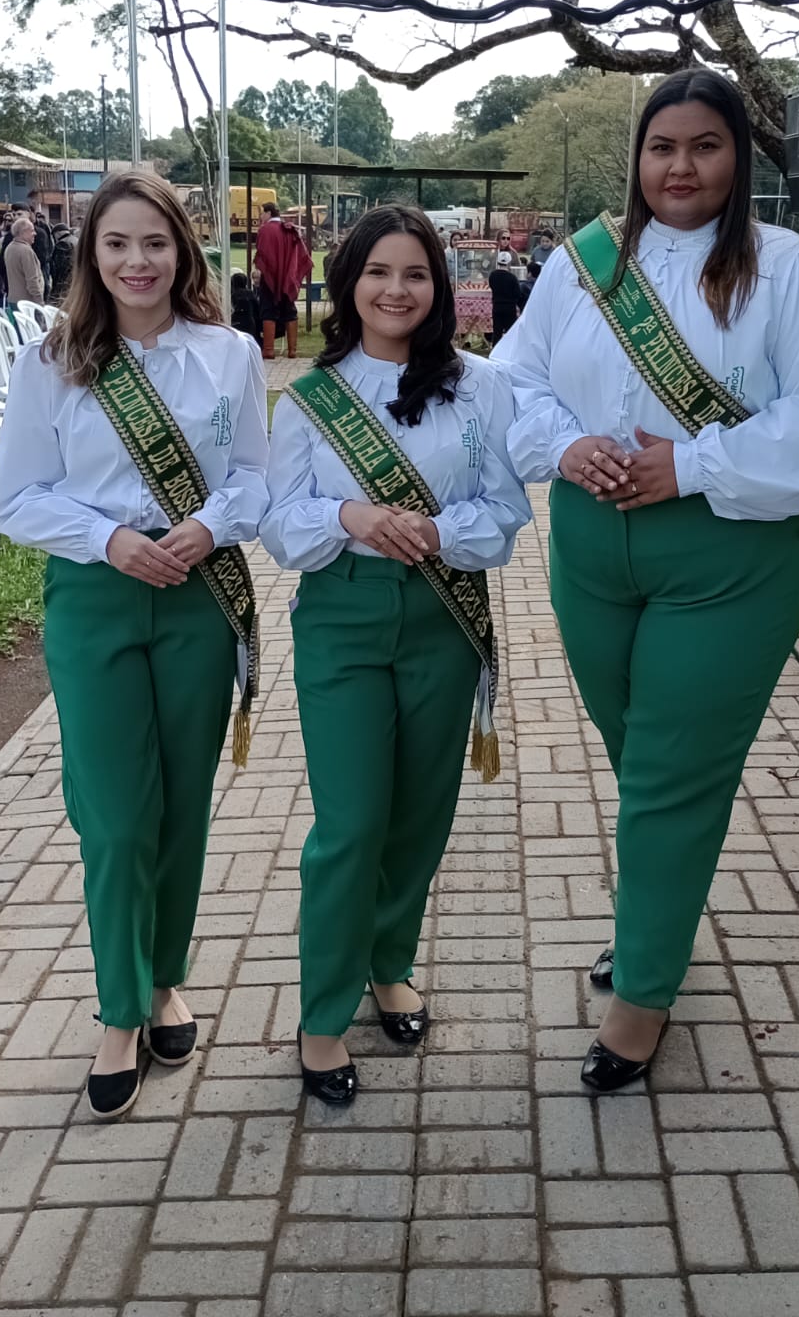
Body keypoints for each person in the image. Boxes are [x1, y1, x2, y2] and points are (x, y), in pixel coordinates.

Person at [495, 68, 799, 1092]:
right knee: (641, 760)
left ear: (737, 158)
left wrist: (694, 464)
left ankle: (643, 993)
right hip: (591, 547)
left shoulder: (791, 271)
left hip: (727, 557)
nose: (680, 167)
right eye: (661, 147)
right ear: (637, 158)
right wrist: (567, 444)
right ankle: (655, 922)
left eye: (704, 146)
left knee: (672, 774)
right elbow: (514, 378)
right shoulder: (581, 265)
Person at [0, 170, 269, 1121]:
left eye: (155, 242)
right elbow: (13, 496)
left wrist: (209, 524)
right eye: (117, 244)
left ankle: (163, 982)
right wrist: (107, 538)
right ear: (90, 254)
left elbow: (254, 476)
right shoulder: (53, 359)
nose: (137, 262)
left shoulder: (230, 355)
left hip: (196, 594)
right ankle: (118, 1011)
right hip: (96, 597)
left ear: (182, 250)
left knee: (181, 807)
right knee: (114, 816)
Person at [261, 203, 530, 1106]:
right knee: (349, 825)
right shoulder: (311, 395)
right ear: (348, 284)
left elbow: (505, 512)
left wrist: (438, 532)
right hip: (341, 616)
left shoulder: (482, 387)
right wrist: (351, 515)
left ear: (438, 287)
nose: (396, 289)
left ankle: (389, 965)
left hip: (441, 615)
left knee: (419, 813)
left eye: (415, 273)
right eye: (378, 272)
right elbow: (279, 525)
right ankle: (321, 1016)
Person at [255, 201, 312, 361]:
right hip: (288, 277)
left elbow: (263, 253)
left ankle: (269, 350)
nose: (261, 217)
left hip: (270, 277)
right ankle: (292, 350)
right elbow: (300, 253)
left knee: (268, 309)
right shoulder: (289, 230)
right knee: (289, 311)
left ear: (268, 213)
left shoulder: (265, 230)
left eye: (262, 213)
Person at [4, 216, 45, 307]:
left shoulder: (9, 248)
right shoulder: (26, 251)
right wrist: (40, 302)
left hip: (14, 299)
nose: (35, 233)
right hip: (27, 303)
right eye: (32, 231)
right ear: (23, 232)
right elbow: (32, 280)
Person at [487, 248, 522, 343]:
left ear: (497, 262)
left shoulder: (492, 275)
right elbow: (518, 293)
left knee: (497, 332)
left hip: (497, 307)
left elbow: (491, 286)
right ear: (509, 263)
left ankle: (495, 348)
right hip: (510, 308)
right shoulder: (512, 278)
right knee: (510, 332)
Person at [230, 269, 261, 342]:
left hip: (235, 322)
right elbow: (257, 308)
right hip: (249, 323)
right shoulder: (250, 293)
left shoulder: (232, 295)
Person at [50, 223, 76, 300]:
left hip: (66, 280)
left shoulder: (62, 244)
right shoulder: (75, 240)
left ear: (57, 233)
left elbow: (60, 266)